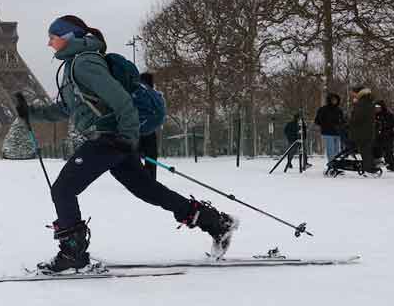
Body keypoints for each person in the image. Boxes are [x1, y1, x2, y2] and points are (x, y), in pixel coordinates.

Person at [16, 15, 238, 273]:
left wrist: (127, 137)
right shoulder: (73, 65)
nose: (49, 44)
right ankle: (216, 223)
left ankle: (73, 254)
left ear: (68, 37)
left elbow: (121, 101)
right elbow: (66, 109)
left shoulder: (85, 63)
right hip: (115, 140)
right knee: (148, 190)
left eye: (52, 38)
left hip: (109, 139)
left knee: (63, 190)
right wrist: (31, 112)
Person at [348, 86, 378, 176]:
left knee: (365, 151)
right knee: (367, 150)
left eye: (354, 93)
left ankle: (369, 169)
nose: (353, 95)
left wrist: (350, 120)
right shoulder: (368, 101)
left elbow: (358, 117)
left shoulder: (362, 103)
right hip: (368, 130)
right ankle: (370, 168)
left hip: (362, 131)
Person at [138, 72, 161, 181]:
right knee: (151, 157)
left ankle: (141, 179)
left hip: (137, 130)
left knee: (134, 157)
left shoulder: (138, 93)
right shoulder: (155, 95)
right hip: (149, 130)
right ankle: (150, 179)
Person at [314, 93, 345, 163]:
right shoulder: (323, 109)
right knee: (330, 149)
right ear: (329, 100)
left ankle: (336, 163)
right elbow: (317, 120)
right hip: (328, 132)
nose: (334, 101)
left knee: (337, 150)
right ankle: (331, 163)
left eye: (336, 100)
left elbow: (342, 120)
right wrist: (324, 124)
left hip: (337, 132)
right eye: (333, 99)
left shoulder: (339, 110)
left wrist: (342, 125)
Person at [374, 100, 394, 172]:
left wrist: (389, 132)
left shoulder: (388, 115)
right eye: (375, 107)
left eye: (378, 107)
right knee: (376, 150)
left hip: (387, 136)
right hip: (377, 136)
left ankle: (392, 167)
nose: (376, 108)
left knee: (388, 151)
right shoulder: (374, 115)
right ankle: (376, 164)